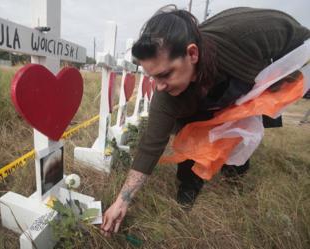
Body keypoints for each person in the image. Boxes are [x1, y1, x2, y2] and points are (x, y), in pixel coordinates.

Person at [101, 5, 310, 236]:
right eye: (153, 77)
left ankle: (235, 177)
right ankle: (188, 189)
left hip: (240, 89)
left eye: (165, 74)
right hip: (199, 104)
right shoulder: (166, 96)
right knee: (193, 142)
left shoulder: (249, 31)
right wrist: (122, 201)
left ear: (192, 53)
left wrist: (282, 79)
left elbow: (300, 39)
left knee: (239, 141)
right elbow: (151, 145)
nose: (158, 86)